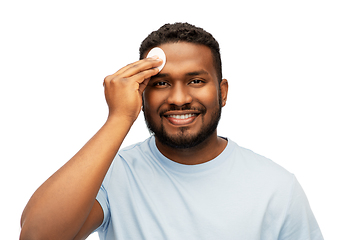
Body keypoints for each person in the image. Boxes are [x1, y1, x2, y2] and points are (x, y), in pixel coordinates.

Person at [20, 23, 323, 240]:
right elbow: (36, 236)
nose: (178, 98)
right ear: (141, 94)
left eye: (195, 81)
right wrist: (118, 119)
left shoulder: (277, 187)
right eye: (161, 83)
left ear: (222, 91)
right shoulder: (112, 174)